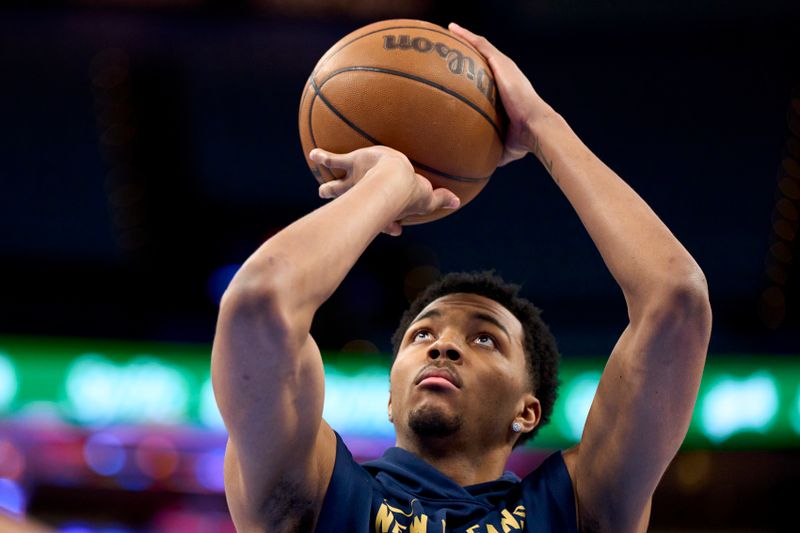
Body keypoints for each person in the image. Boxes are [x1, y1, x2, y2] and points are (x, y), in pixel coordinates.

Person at [211, 22, 712, 533]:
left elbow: (676, 299)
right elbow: (257, 302)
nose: (442, 347)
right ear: (389, 396)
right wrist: (388, 183)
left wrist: (541, 125)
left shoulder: (574, 509)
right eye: (422, 333)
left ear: (528, 411)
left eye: (485, 339)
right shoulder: (317, 490)